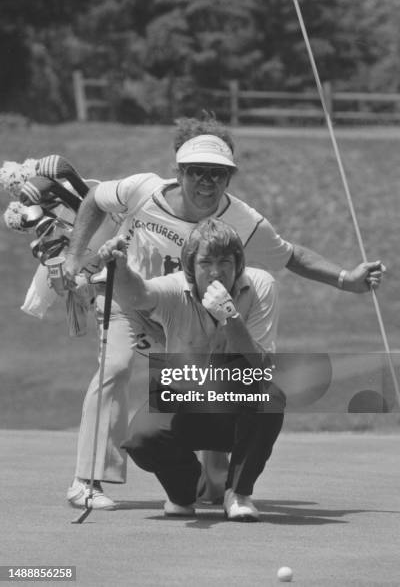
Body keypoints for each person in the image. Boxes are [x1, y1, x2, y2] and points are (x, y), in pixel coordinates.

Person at [64, 115, 385, 509]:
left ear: (228, 178)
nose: (207, 182)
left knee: (213, 389)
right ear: (179, 172)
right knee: (115, 366)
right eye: (197, 172)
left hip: (191, 314)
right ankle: (88, 480)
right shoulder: (141, 190)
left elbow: (290, 256)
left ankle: (211, 479)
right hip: (130, 298)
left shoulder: (243, 220)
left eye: (218, 174)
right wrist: (75, 256)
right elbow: (95, 200)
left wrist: (344, 278)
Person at [104, 218, 284, 521]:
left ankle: (238, 493)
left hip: (236, 410)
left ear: (238, 263)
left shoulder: (262, 285)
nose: (216, 271)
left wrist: (230, 315)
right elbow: (138, 295)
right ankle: (183, 492)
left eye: (226, 261)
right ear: (190, 265)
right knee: (141, 440)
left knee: (270, 396)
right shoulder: (174, 287)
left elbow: (261, 364)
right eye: (206, 262)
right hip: (184, 399)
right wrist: (120, 269)